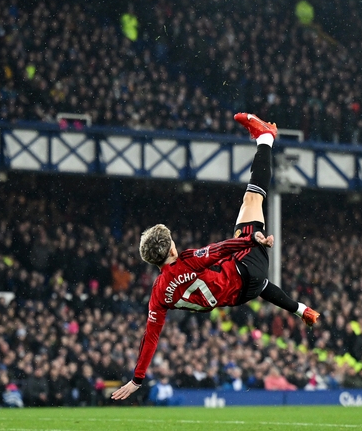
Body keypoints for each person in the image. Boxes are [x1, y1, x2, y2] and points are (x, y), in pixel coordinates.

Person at [111, 113, 320, 401]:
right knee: (253, 199)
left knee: (255, 278)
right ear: (171, 249)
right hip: (247, 263)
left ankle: (301, 309)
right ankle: (265, 138)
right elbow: (220, 249)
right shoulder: (187, 260)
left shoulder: (159, 294)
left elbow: (151, 337)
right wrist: (251, 239)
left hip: (242, 293)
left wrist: (137, 379)